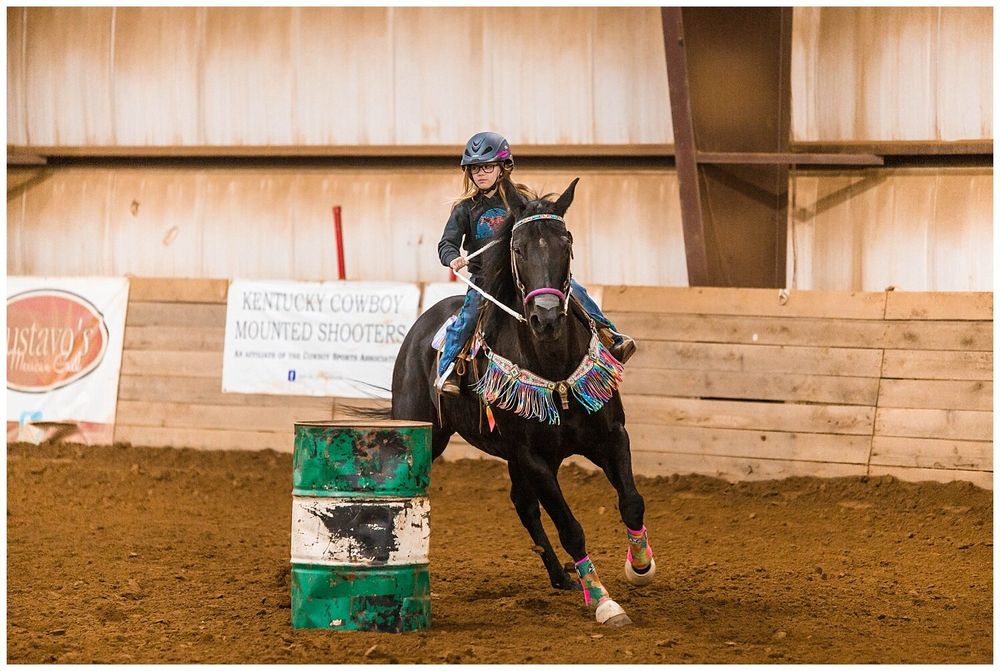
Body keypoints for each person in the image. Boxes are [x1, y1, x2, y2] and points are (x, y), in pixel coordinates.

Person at [435, 131, 636, 396]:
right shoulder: (464, 209)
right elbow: (445, 244)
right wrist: (452, 257)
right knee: (469, 315)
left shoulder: (523, 202)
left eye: (486, 166)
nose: (480, 173)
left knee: (577, 292)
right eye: (473, 168)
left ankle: (610, 337)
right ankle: (447, 371)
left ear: (504, 167)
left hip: (527, 277)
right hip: (486, 280)